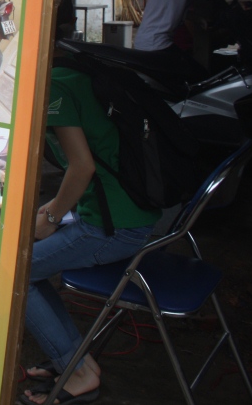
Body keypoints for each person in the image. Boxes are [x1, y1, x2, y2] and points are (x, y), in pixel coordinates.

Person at [19, 56, 161, 405]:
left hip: (115, 227)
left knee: (17, 273)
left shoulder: (52, 88)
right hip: (127, 212)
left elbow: (82, 167)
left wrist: (51, 218)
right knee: (33, 271)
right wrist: (54, 209)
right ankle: (75, 360)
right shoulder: (67, 73)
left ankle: (75, 371)